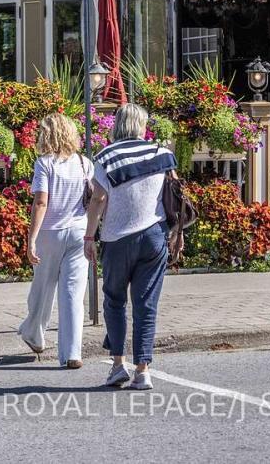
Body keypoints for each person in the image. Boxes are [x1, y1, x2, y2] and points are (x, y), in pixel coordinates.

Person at [85, 103, 176, 391]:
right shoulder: (162, 153)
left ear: (117, 125)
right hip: (154, 235)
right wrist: (176, 232)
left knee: (114, 300)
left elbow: (98, 200)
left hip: (117, 238)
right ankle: (143, 370)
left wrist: (89, 237)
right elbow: (174, 194)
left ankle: (117, 365)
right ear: (142, 126)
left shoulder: (106, 157)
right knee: (146, 303)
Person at [18, 114, 92, 367]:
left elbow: (41, 202)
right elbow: (93, 198)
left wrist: (31, 239)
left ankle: (34, 334)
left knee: (43, 287)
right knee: (73, 293)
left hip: (50, 232)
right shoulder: (84, 163)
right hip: (79, 230)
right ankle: (72, 353)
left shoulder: (45, 163)